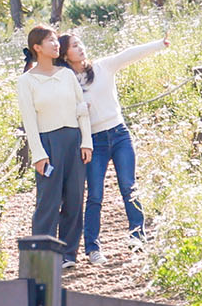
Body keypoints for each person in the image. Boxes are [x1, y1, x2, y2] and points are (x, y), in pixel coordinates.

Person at [61, 31, 164, 260]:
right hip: (93, 141)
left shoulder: (102, 67)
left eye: (80, 43)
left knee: (129, 186)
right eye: (74, 46)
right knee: (95, 194)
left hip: (119, 134)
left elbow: (128, 55)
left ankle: (138, 237)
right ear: (65, 54)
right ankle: (93, 248)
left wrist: (159, 44)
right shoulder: (66, 81)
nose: (81, 48)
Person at [15, 24, 89, 262]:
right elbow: (29, 120)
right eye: (51, 41)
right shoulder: (26, 81)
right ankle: (43, 257)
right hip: (48, 142)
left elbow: (81, 110)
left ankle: (68, 254)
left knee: (75, 198)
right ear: (37, 47)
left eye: (57, 40)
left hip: (73, 140)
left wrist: (86, 141)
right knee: (48, 200)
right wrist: (38, 154)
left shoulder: (67, 74)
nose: (57, 44)